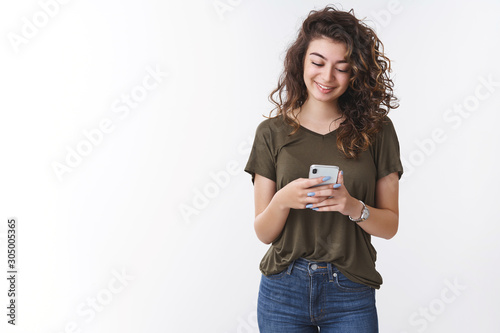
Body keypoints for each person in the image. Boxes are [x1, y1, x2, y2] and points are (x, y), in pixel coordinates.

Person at [244, 5, 404, 333]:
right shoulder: (271, 133)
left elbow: (389, 226)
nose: (327, 77)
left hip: (350, 290)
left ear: (355, 71)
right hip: (282, 290)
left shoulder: (378, 130)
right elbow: (263, 233)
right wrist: (284, 199)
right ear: (300, 61)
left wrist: (352, 206)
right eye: (318, 62)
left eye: (341, 67)